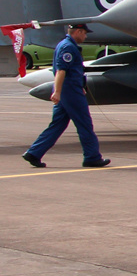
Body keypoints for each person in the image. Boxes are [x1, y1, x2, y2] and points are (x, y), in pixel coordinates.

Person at [21, 23, 108, 168]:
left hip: (69, 90)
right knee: (84, 124)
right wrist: (59, 92)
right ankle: (92, 157)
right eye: (84, 33)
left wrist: (78, 86)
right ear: (78, 31)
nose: (85, 36)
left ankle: (34, 153)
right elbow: (62, 71)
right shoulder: (68, 47)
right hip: (70, 92)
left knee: (58, 124)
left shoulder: (64, 44)